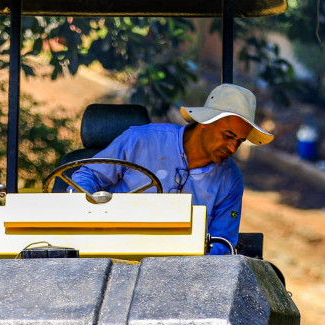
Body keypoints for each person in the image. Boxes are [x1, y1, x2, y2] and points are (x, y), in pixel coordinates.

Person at [68, 83, 273, 254]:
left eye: (239, 141)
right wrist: (89, 211)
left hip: (178, 275)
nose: (232, 148)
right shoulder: (141, 140)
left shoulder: (231, 180)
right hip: (110, 251)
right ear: (205, 122)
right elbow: (87, 175)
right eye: (228, 136)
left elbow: (222, 243)